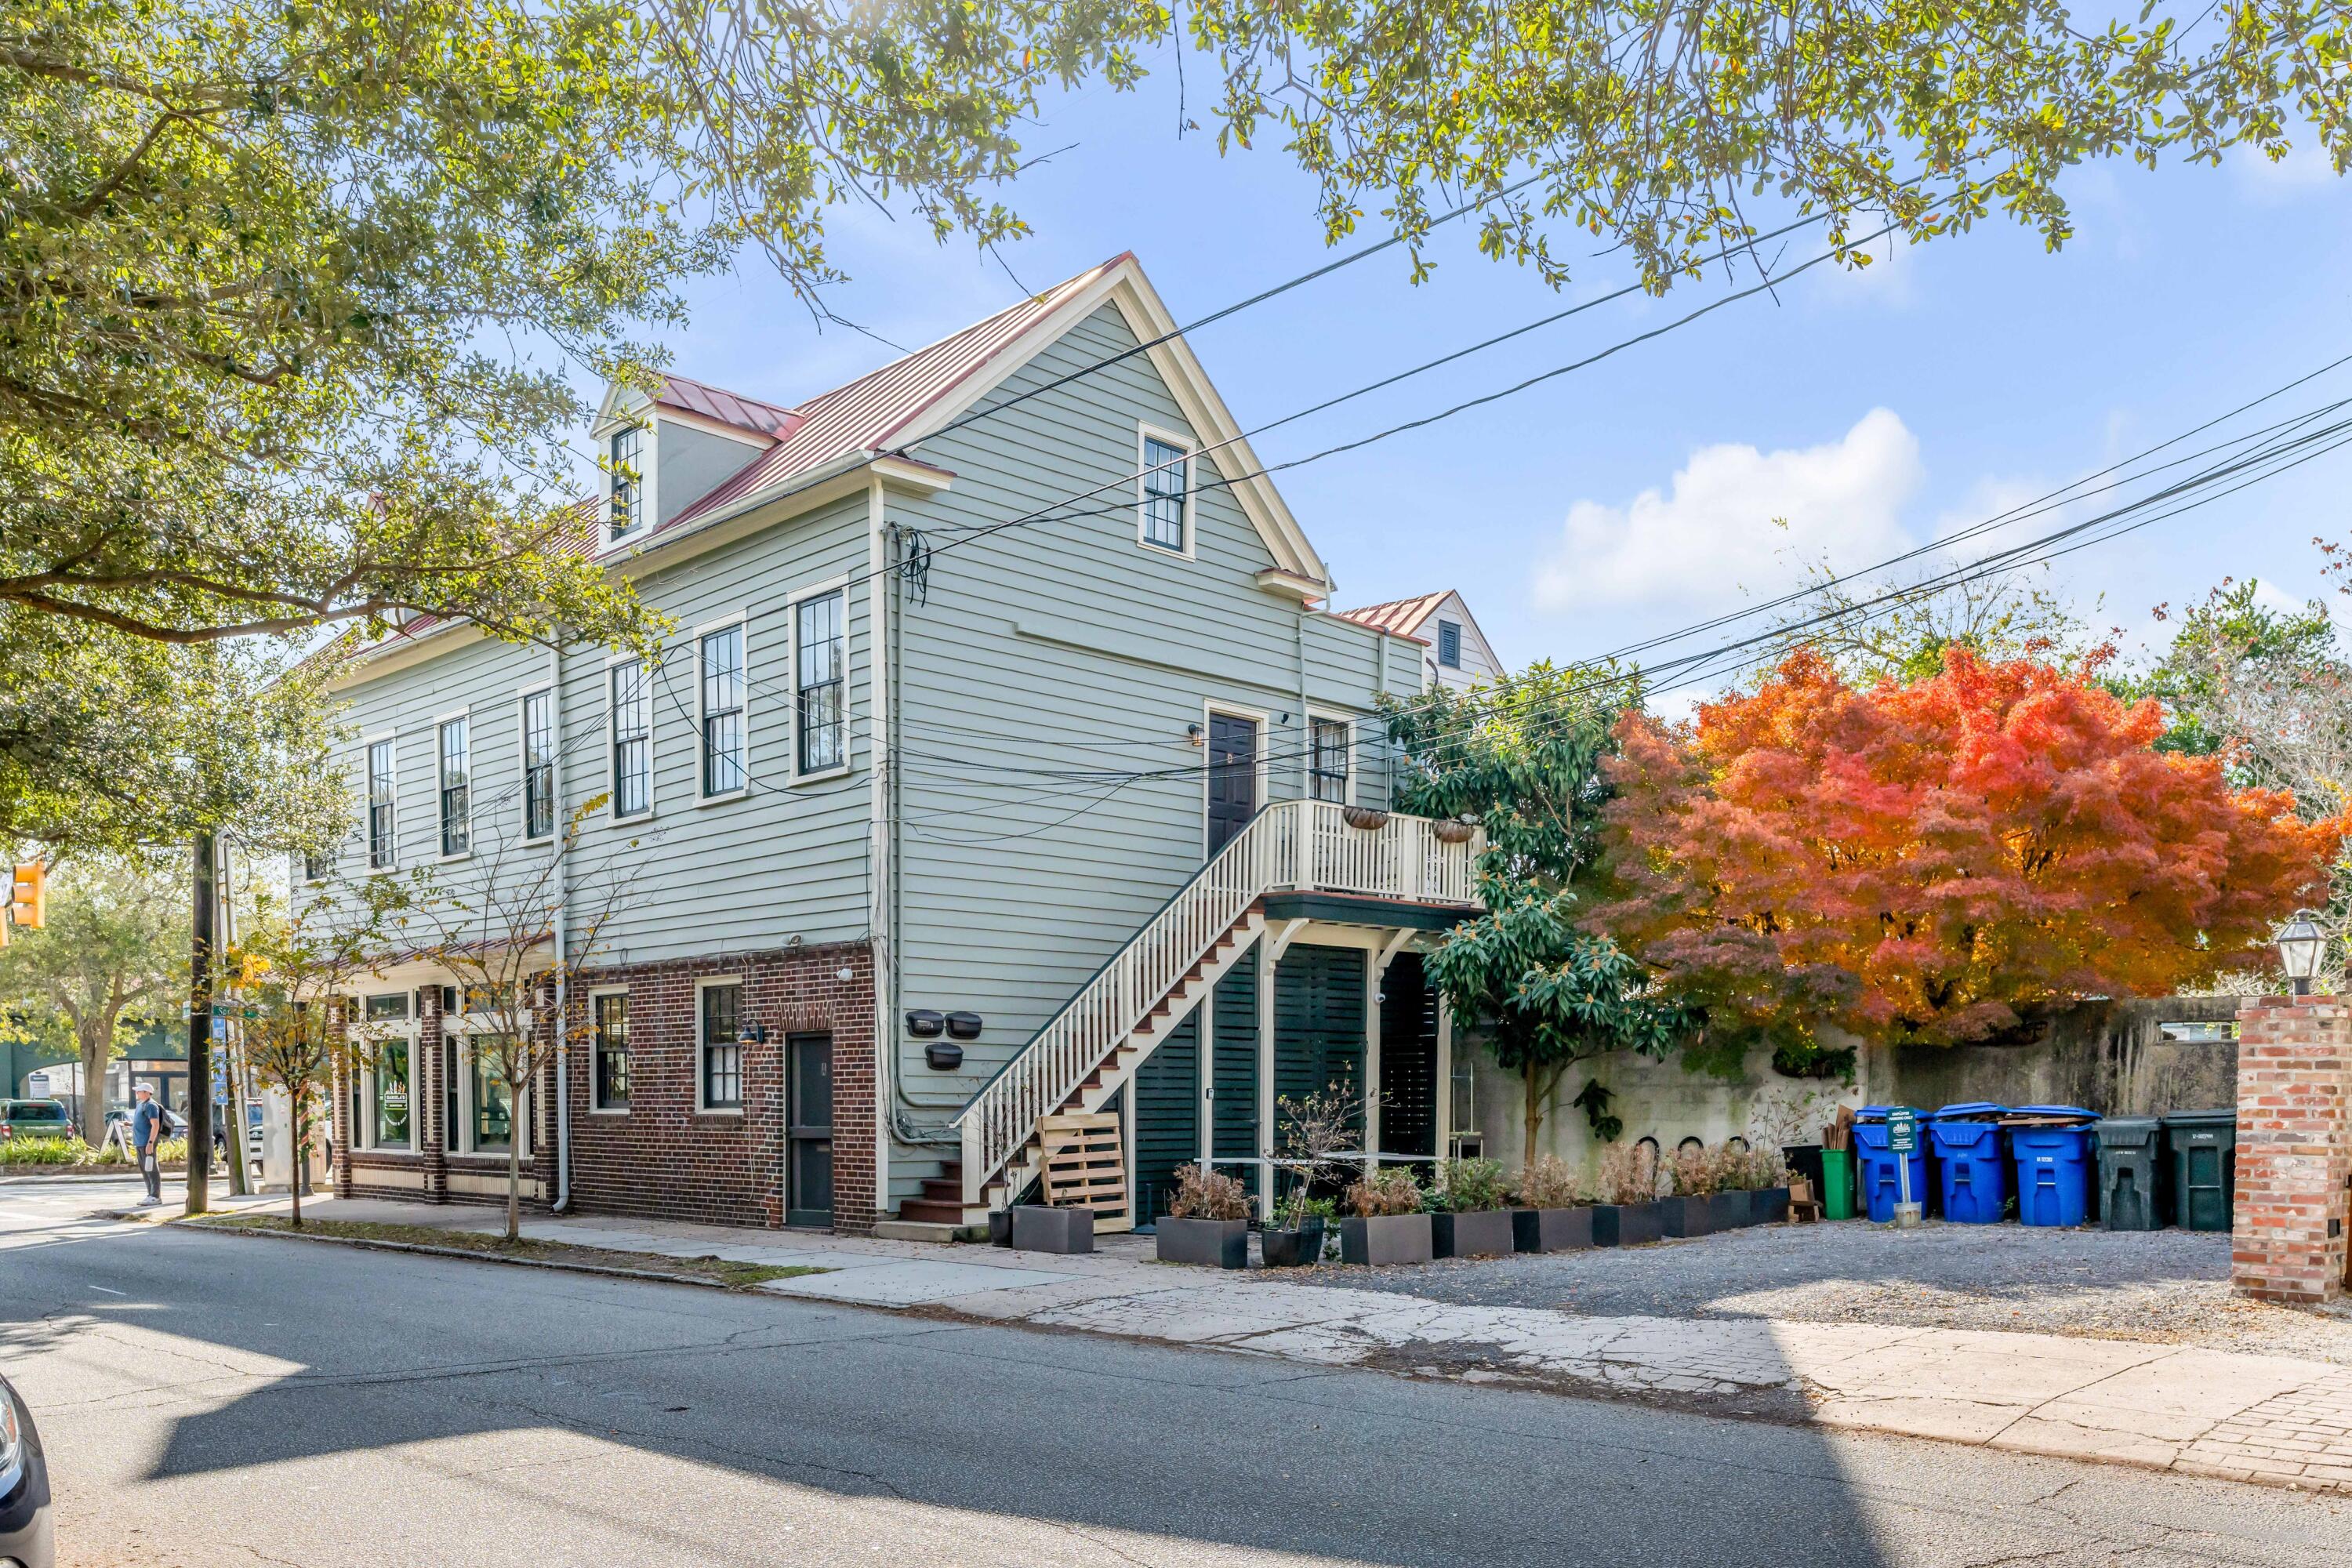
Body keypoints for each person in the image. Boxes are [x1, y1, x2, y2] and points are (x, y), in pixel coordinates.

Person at [130, 1083, 165, 1207]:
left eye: (139, 1091)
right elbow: (142, 1122)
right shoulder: (141, 1105)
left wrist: (150, 1143)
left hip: (147, 1143)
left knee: (151, 1169)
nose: (137, 1093)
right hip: (140, 1143)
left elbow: (155, 1125)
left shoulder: (151, 1105)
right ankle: (150, 1194)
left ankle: (155, 1196)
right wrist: (130, 1124)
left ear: (146, 1092)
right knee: (145, 1170)